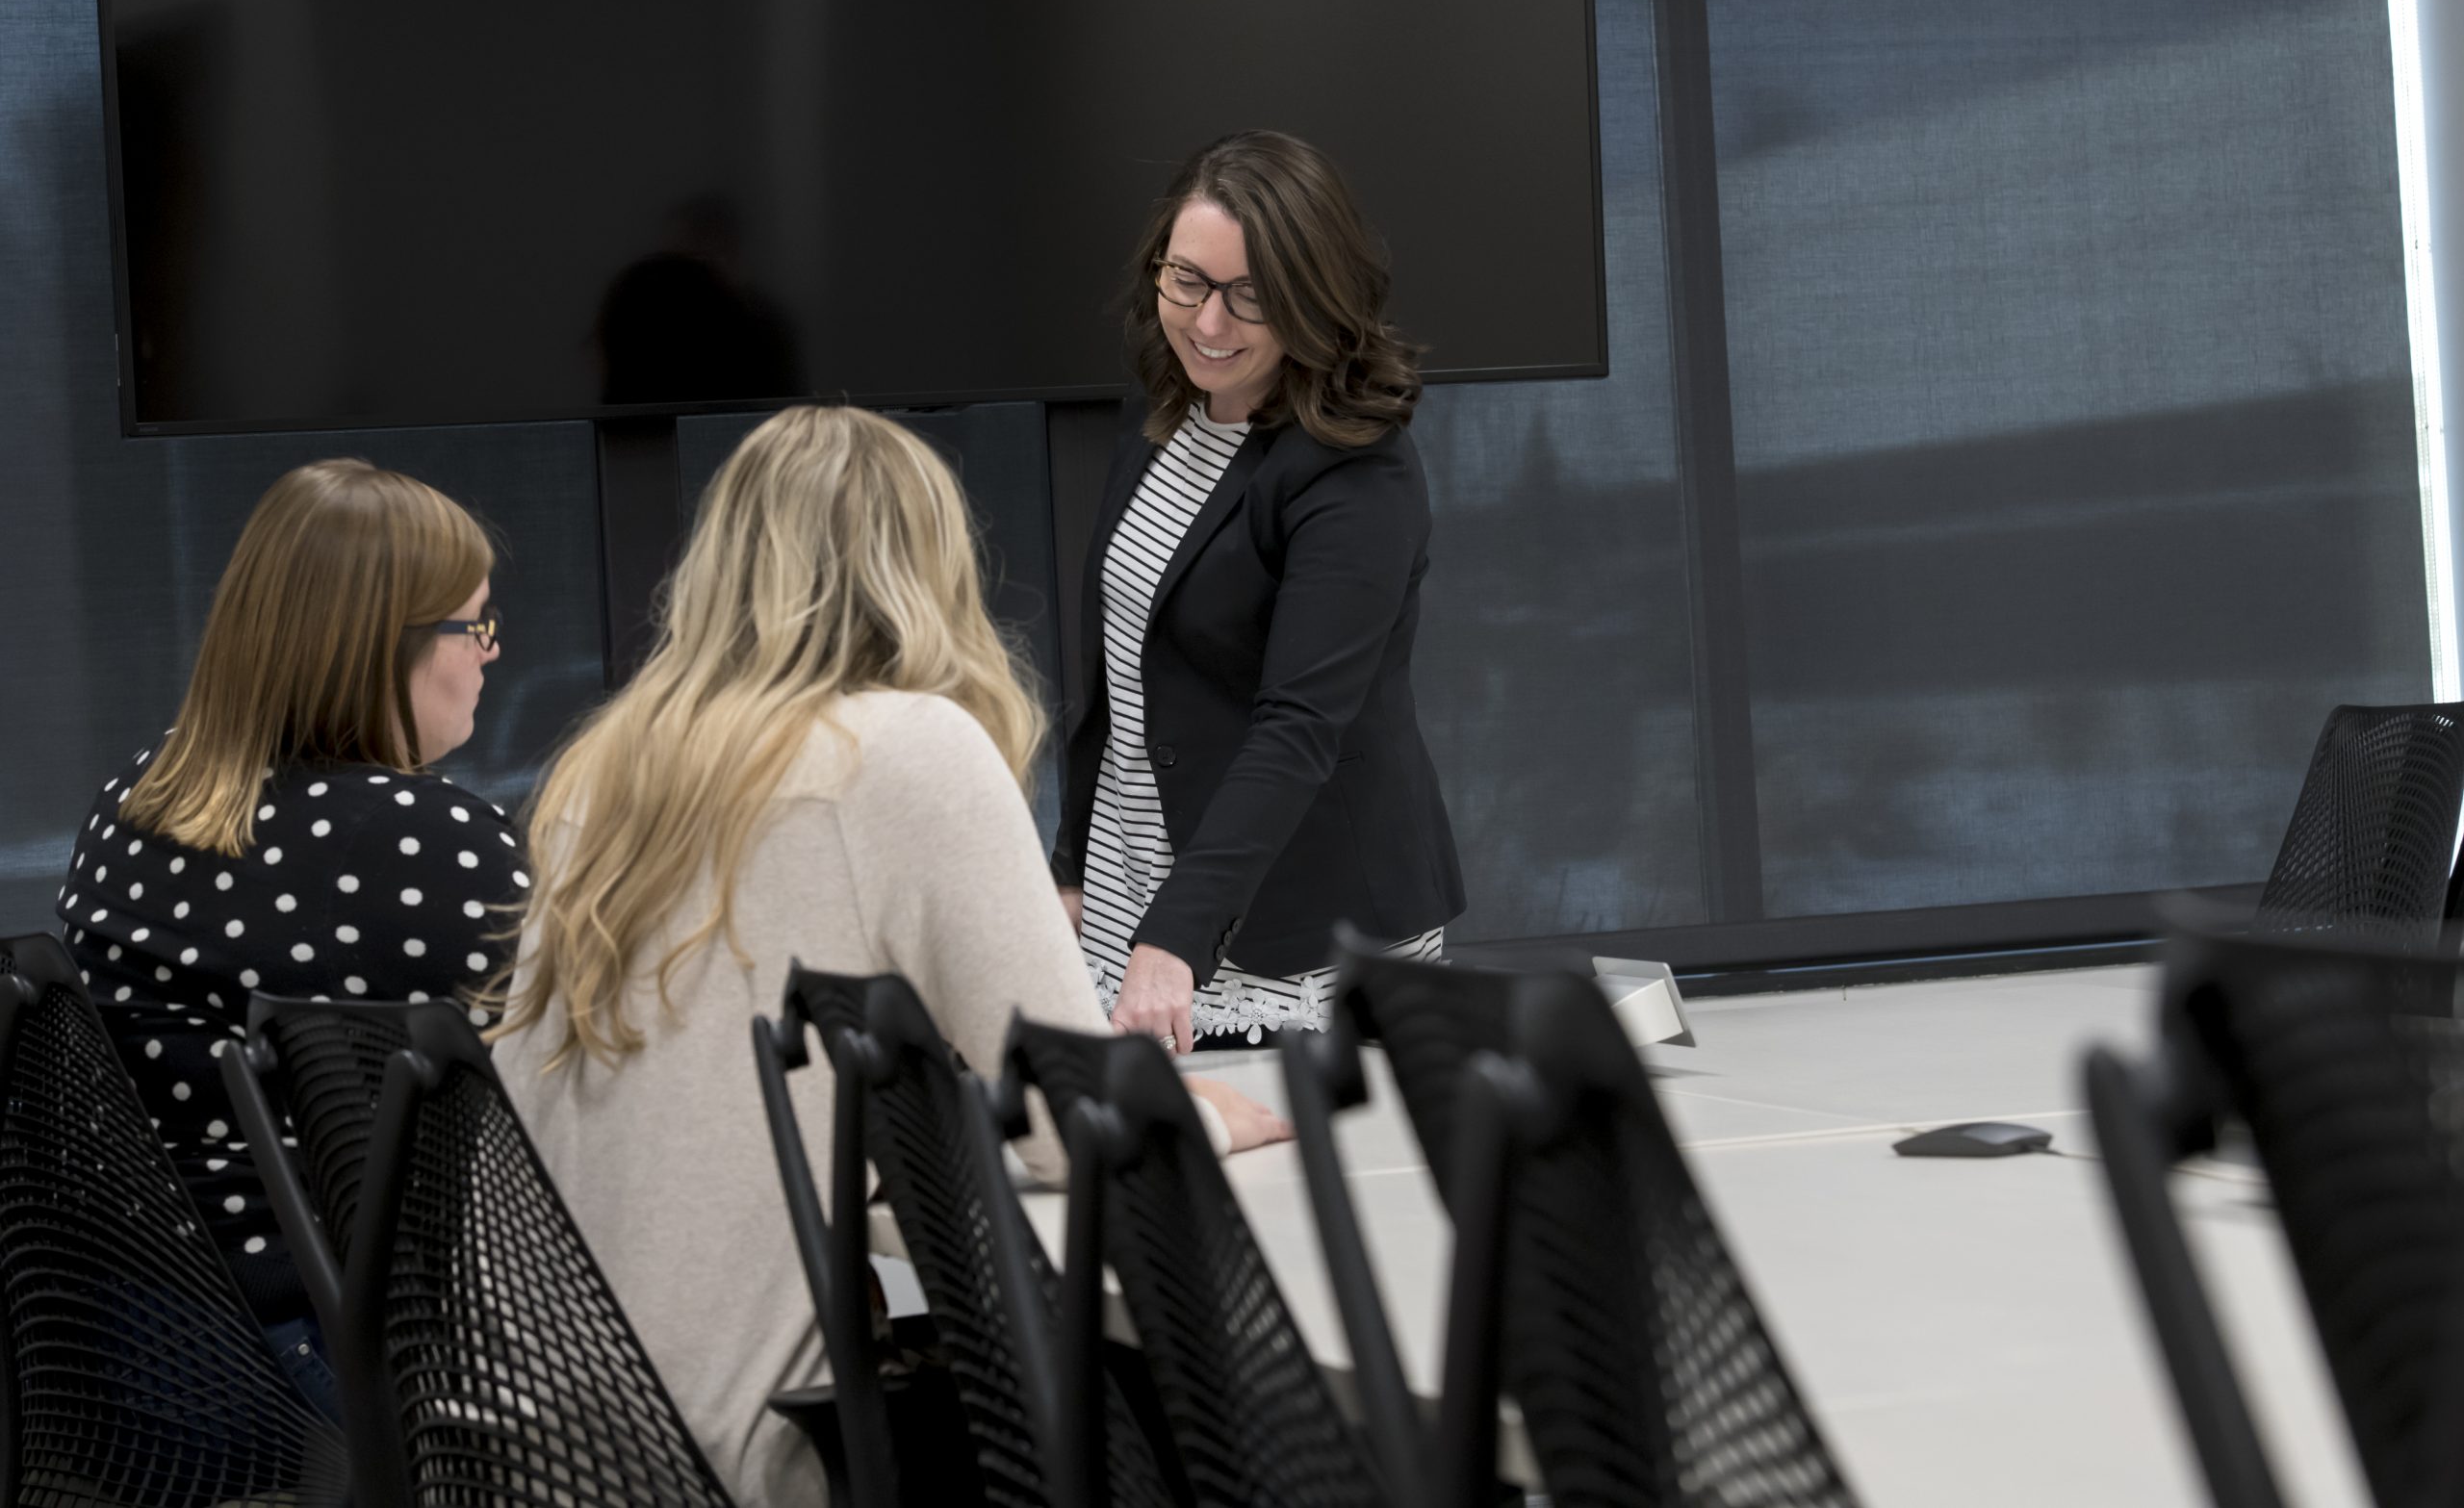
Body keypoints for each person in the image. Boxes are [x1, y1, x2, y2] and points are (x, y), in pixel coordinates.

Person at [490, 403, 1287, 1507]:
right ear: (929, 567)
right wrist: (1206, 1111)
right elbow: (1074, 1122)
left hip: (535, 1439)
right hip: (739, 1450)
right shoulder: (906, 749)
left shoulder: (604, 772)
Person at [55, 457, 526, 1416]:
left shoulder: (140, 795)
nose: (490, 652)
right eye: (471, 624)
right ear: (375, 646)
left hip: (119, 1341)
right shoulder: (433, 842)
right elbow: (565, 1087)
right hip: (308, 1363)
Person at [1055, 130, 1466, 1053]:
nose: (1209, 323)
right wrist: (1073, 863)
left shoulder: (1357, 470)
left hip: (1286, 928)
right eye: (1188, 281)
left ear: (1315, 299)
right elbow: (1118, 670)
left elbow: (1299, 725)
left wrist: (1177, 934)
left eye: (1253, 297)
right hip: (1137, 898)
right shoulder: (1168, 409)